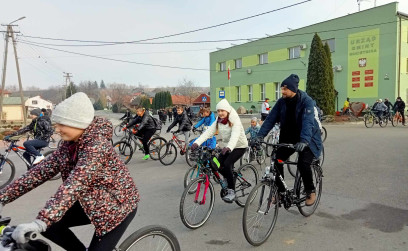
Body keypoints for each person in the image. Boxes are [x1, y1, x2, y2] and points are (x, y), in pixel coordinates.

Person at [0, 92, 140, 251]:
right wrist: (3, 197)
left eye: (62, 124)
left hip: (117, 206)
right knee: (51, 225)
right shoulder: (69, 145)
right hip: (90, 202)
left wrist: (42, 220)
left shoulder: (97, 146)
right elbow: (38, 173)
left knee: (46, 222)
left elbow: (75, 183)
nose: (57, 129)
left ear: (78, 123)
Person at [256, 74, 322, 206]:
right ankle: (280, 193)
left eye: (285, 89)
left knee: (303, 163)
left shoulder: (306, 101)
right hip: (289, 136)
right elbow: (270, 119)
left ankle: (310, 190)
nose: (282, 91)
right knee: (277, 160)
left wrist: (304, 141)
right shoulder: (281, 102)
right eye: (282, 88)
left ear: (293, 89)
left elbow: (308, 122)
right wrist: (259, 136)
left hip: (308, 138)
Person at [191, 99, 248, 202]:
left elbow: (235, 135)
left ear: (227, 111)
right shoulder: (218, 120)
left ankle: (231, 191)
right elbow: (208, 132)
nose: (220, 113)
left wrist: (229, 147)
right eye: (219, 111)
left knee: (227, 164)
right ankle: (228, 177)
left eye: (223, 111)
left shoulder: (234, 119)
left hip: (239, 146)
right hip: (227, 146)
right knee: (216, 164)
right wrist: (197, 142)